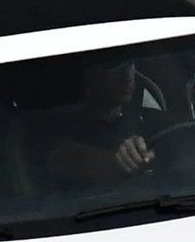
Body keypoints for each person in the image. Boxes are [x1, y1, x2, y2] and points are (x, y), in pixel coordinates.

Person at [46, 59, 156, 188]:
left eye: (130, 62)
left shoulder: (152, 120)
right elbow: (61, 158)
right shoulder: (61, 131)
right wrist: (121, 160)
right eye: (112, 67)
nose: (127, 76)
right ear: (88, 72)